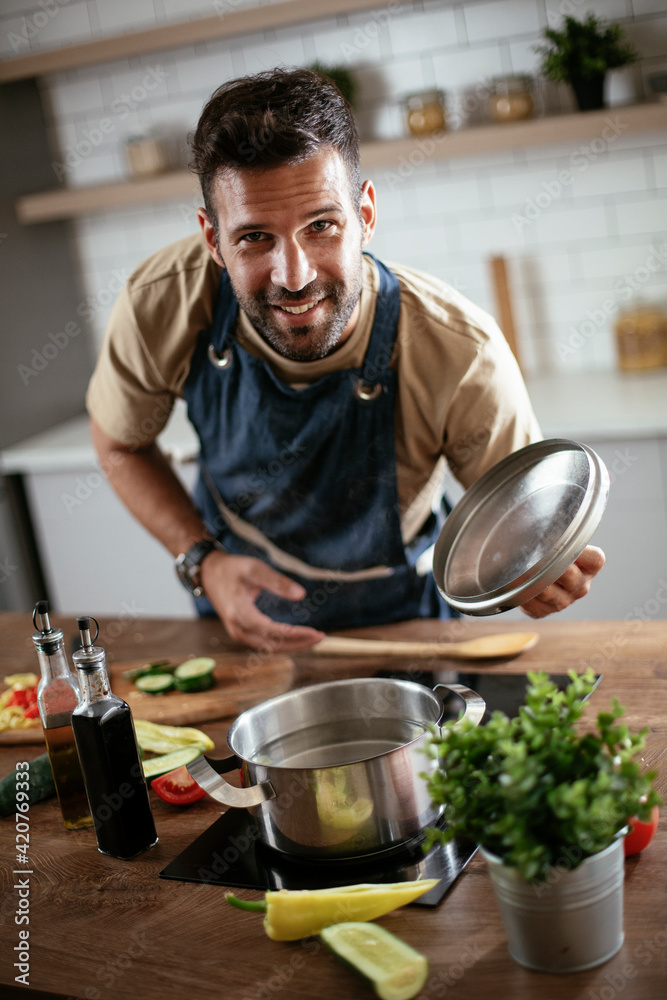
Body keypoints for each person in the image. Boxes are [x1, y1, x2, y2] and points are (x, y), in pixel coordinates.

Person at [87, 68, 604, 652]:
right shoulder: (164, 299)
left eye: (322, 225)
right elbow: (120, 444)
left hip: (402, 625)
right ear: (212, 240)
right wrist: (202, 561)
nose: (295, 276)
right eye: (254, 238)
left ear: (366, 214)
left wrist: (532, 576)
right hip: (239, 614)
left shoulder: (459, 351)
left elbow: (517, 533)